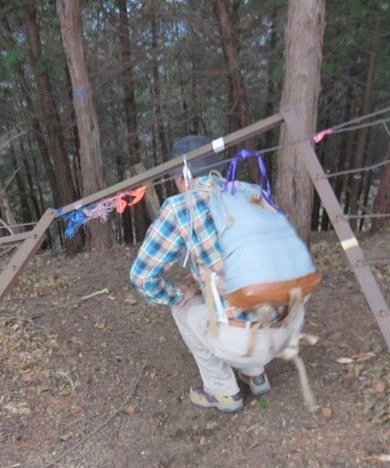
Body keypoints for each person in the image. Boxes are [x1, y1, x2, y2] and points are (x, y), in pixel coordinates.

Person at [129, 135, 305, 413]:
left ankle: (222, 391)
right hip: (289, 326)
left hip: (247, 340)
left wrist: (180, 294)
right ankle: (255, 374)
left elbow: (142, 279)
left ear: (180, 177)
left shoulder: (180, 207)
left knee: (182, 307)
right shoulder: (250, 191)